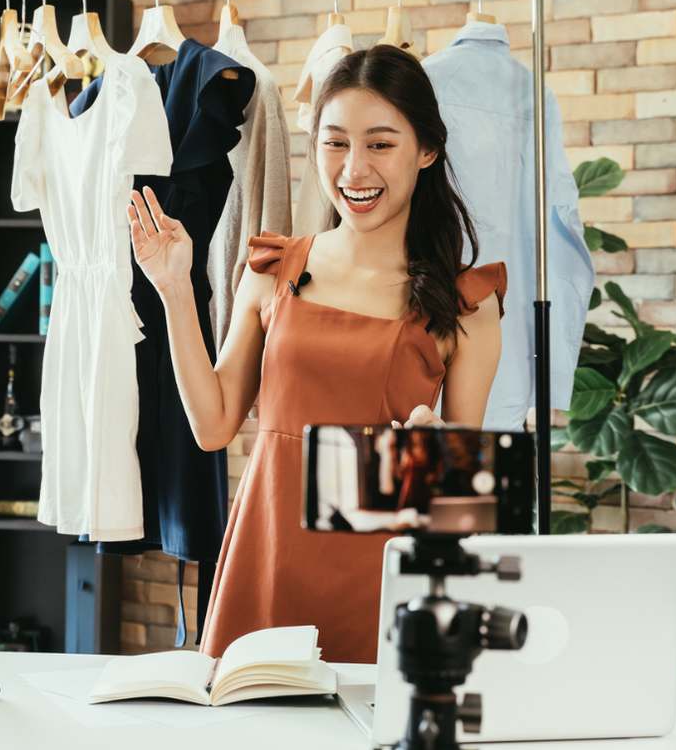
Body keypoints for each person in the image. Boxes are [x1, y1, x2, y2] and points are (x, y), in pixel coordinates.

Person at [125, 45, 507, 663]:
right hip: (268, 553)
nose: (354, 170)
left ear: (427, 150)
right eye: (335, 143)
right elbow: (213, 424)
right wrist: (174, 289)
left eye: (380, 144)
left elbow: (464, 508)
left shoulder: (466, 301)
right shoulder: (276, 266)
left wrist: (438, 453)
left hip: (383, 574)